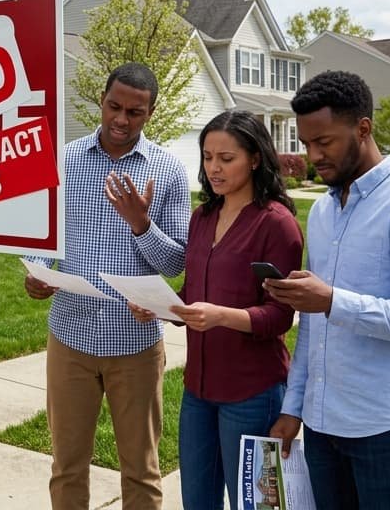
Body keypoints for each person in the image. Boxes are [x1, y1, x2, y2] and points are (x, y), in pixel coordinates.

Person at [266, 70, 390, 510]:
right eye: (306, 143)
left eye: (324, 142)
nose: (313, 156)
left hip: (388, 429)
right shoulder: (323, 211)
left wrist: (333, 301)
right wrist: (294, 406)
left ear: (363, 128)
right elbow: (312, 325)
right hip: (322, 425)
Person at [25, 62, 190, 510]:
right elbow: (42, 234)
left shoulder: (169, 171)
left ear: (150, 114)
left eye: (134, 112)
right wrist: (37, 271)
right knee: (66, 466)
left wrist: (141, 224)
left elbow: (176, 262)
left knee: (141, 471)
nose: (121, 119)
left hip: (135, 343)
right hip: (70, 338)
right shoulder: (65, 159)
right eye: (114, 106)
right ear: (101, 100)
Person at [127, 110, 303, 510]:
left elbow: (280, 316)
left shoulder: (277, 225)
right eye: (208, 157)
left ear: (255, 158)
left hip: (253, 392)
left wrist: (222, 316)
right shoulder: (203, 217)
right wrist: (161, 308)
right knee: (198, 501)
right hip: (199, 391)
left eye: (226, 158)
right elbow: (193, 294)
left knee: (256, 505)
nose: (214, 168)